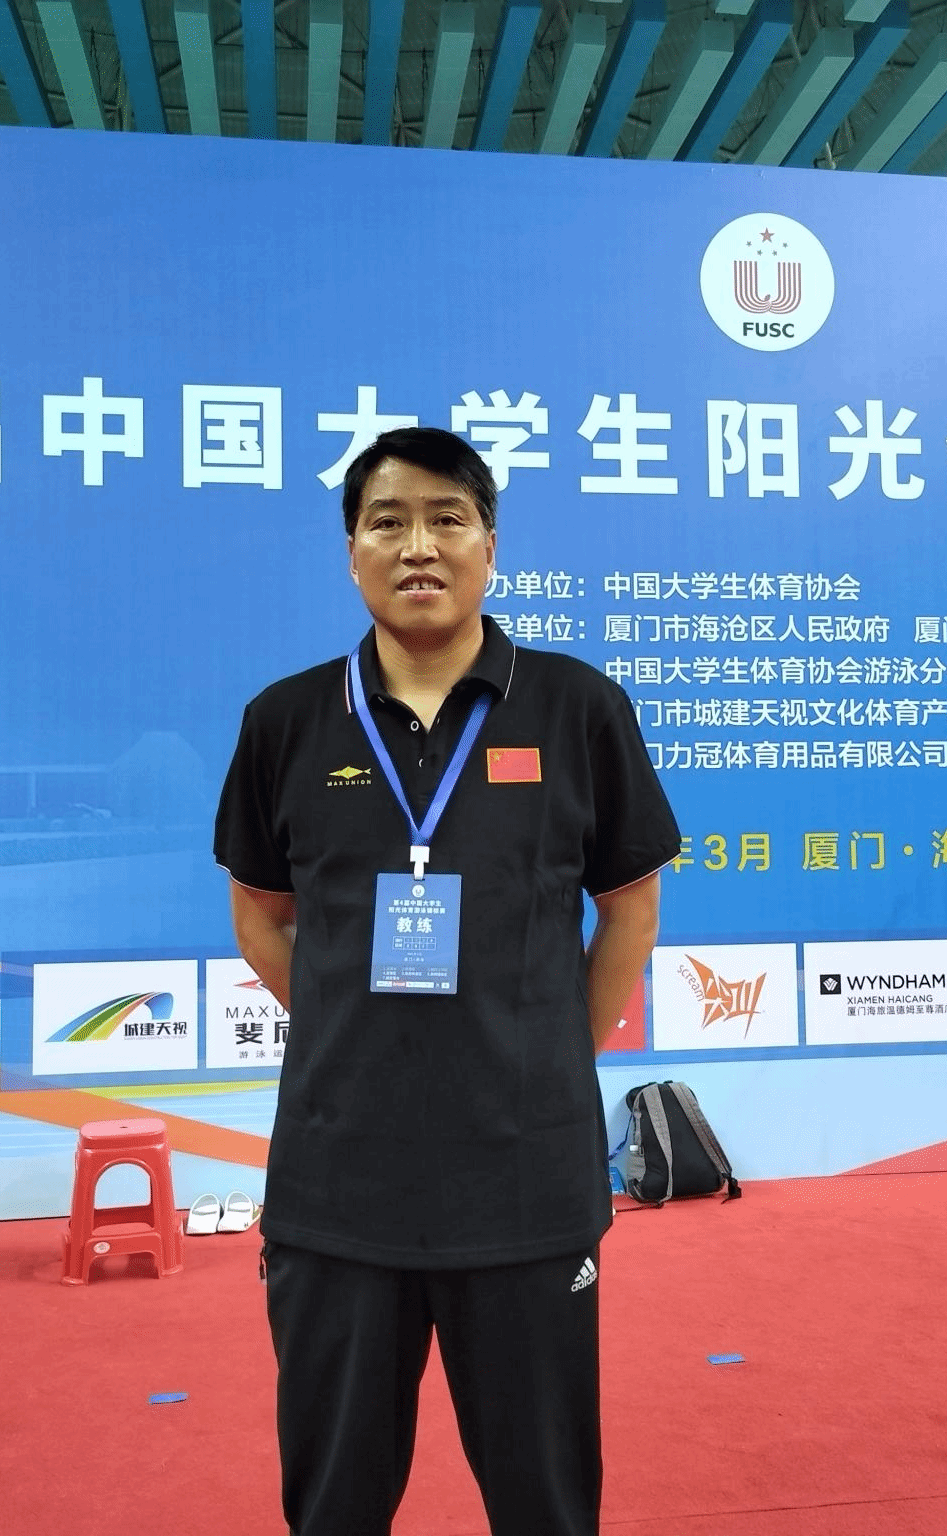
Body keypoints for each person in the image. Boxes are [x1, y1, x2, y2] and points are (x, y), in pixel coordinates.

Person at [214, 426, 679, 1536]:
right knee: (333, 1505)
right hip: (338, 1187)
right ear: (351, 554)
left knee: (545, 1504)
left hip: (523, 1183)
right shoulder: (285, 721)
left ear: (489, 546)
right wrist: (351, 1025)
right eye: (387, 521)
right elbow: (260, 916)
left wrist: (542, 1051)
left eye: (446, 519)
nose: (417, 546)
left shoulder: (576, 707)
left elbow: (629, 907)